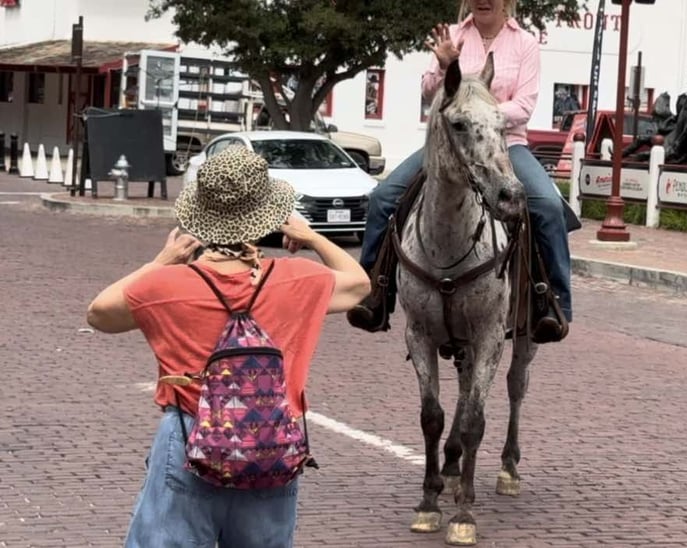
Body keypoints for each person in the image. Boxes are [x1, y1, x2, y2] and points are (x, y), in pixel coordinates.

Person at [86, 145, 371, 548]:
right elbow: (359, 284)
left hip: (189, 436)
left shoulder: (166, 285)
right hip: (271, 440)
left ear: (201, 217)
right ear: (267, 215)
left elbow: (99, 314)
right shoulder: (299, 278)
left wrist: (162, 260)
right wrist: (311, 237)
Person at [348, 0, 575, 340]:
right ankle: (373, 292)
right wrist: (443, 67)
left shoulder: (524, 42)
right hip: (449, 144)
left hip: (504, 144)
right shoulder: (453, 35)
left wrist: (477, 112)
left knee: (548, 204)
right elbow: (429, 94)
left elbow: (524, 105)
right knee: (383, 197)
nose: (483, 1)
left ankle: (554, 302)